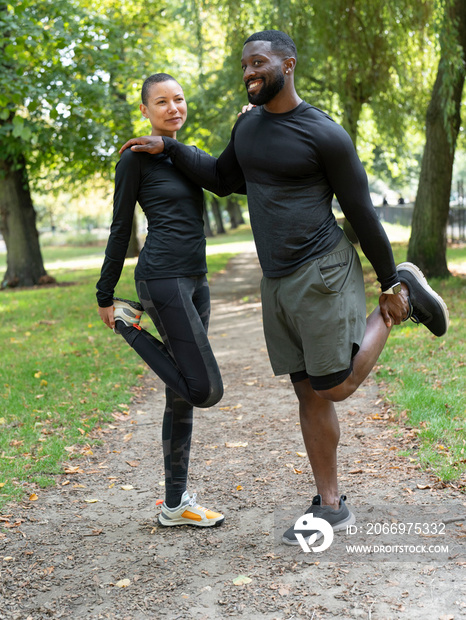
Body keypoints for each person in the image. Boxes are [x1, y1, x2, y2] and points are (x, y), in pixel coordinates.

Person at [118, 31, 449, 546]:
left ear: (288, 64)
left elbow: (360, 210)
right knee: (306, 390)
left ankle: (399, 302)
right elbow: (224, 177)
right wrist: (172, 148)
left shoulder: (324, 134)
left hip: (322, 269)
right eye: (244, 65)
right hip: (277, 281)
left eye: (259, 62)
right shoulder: (248, 127)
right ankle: (331, 505)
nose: (249, 71)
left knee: (333, 385)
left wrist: (386, 279)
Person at [96, 73, 225, 529]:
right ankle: (128, 326)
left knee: (182, 394)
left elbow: (228, 177)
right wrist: (104, 293)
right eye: (161, 102)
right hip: (162, 278)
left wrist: (252, 124)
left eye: (179, 99)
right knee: (206, 390)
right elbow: (120, 226)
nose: (173, 108)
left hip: (196, 280)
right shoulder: (135, 159)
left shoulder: (183, 155)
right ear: (145, 111)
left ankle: (175, 505)